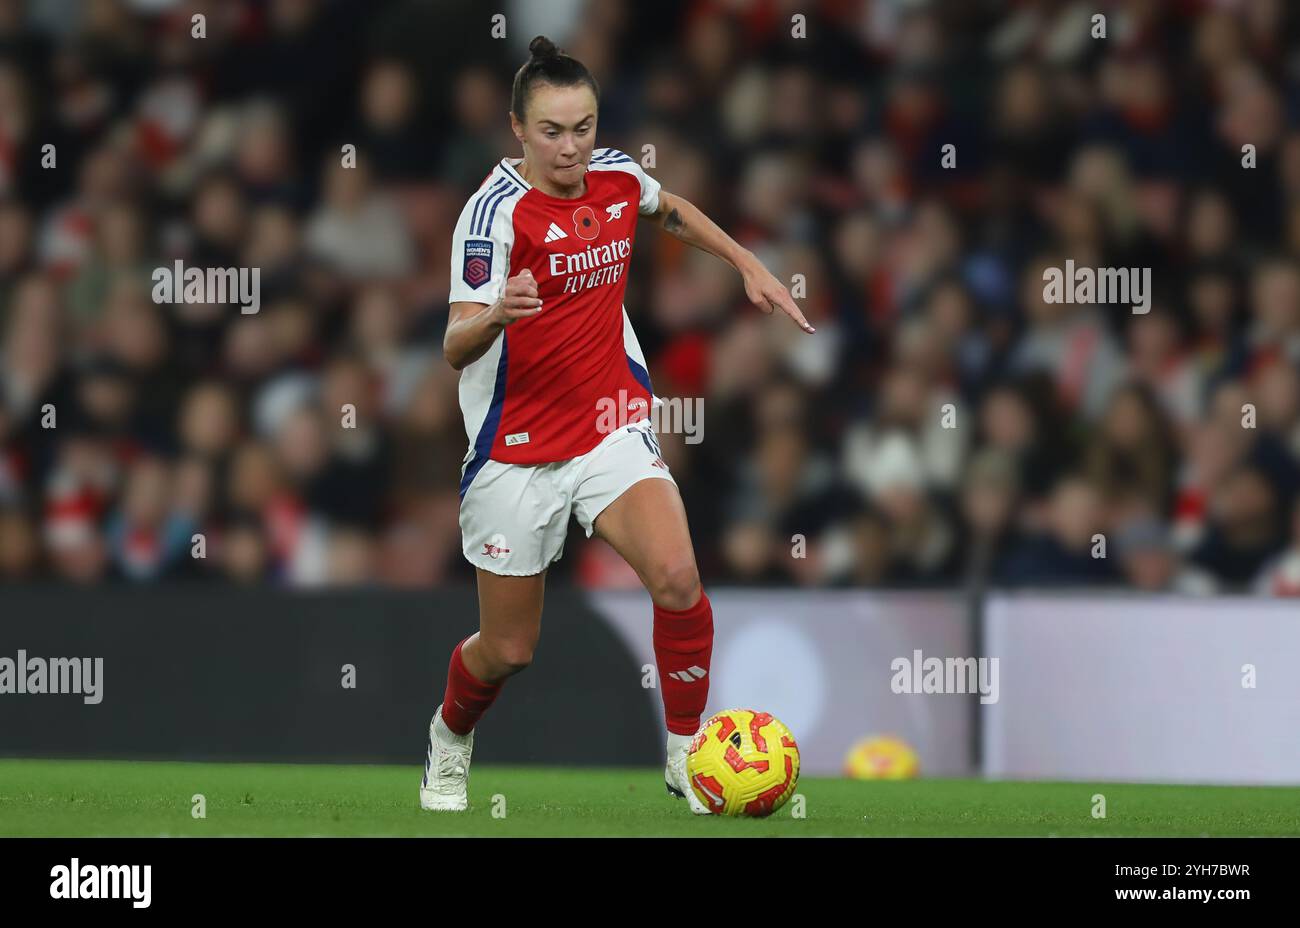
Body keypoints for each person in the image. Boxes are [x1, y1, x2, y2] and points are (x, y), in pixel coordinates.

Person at [422, 36, 813, 812]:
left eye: (585, 127)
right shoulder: (493, 216)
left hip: (608, 422)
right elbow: (452, 344)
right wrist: (500, 310)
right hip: (515, 449)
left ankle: (684, 755)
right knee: (508, 650)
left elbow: (669, 210)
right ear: (517, 129)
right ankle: (449, 737)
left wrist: (747, 264)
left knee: (677, 577)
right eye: (553, 132)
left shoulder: (614, 175)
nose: (572, 148)